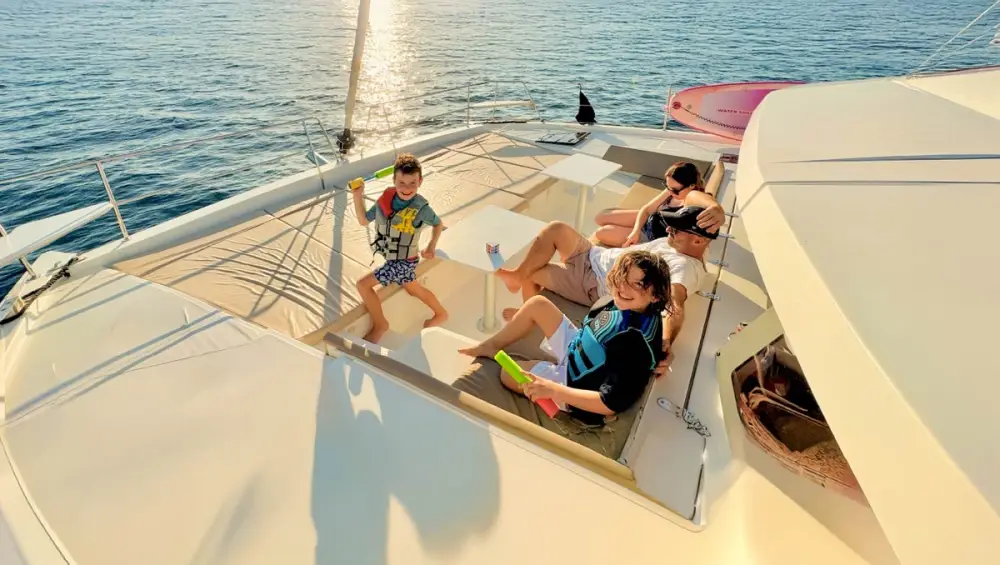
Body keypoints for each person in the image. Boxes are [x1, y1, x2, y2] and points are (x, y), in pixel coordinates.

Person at [496, 207, 717, 375]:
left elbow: (675, 305)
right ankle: (517, 281)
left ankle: (525, 315)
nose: (669, 229)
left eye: (676, 229)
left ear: (698, 239)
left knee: (534, 273)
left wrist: (665, 342)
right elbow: (701, 198)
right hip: (594, 255)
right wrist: (717, 211)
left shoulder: (684, 267)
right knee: (556, 229)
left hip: (592, 281)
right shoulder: (676, 243)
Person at [459, 250, 671, 424]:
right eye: (622, 277)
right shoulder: (622, 302)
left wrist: (555, 390)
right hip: (578, 351)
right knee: (538, 304)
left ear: (656, 295)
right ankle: (490, 345)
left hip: (576, 386)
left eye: (638, 284)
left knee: (508, 373)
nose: (623, 287)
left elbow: (609, 404)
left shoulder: (634, 344)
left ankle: (556, 392)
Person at [351, 153, 448, 343]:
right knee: (414, 289)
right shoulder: (385, 200)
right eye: (402, 183)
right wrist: (358, 196)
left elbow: (438, 224)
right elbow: (363, 220)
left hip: (404, 261)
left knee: (363, 285)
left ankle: (380, 325)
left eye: (413, 183)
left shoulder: (421, 208)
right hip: (396, 259)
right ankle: (441, 313)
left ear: (420, 181)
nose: (407, 188)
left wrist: (431, 245)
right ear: (394, 181)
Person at [593, 161, 723, 247]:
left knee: (601, 233)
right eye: (667, 186)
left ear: (692, 186)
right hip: (650, 219)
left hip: (652, 236)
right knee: (600, 217)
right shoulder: (672, 190)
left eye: (675, 189)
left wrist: (716, 208)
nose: (670, 191)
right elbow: (647, 209)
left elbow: (708, 200)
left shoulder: (692, 199)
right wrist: (635, 230)